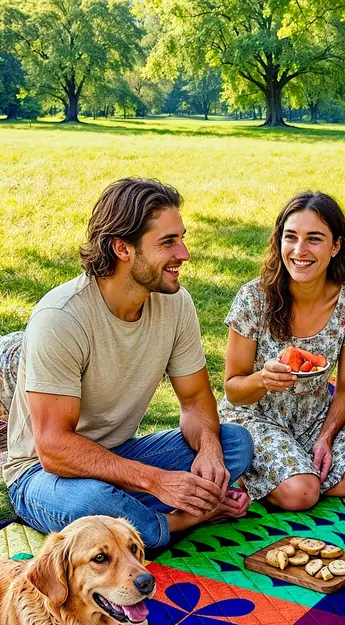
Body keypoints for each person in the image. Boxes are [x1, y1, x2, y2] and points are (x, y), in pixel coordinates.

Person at [2, 178, 254, 548]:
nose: (183, 254)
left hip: (119, 455)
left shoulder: (175, 303)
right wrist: (155, 480)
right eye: (168, 243)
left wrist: (210, 451)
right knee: (91, 502)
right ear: (122, 248)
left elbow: (196, 400)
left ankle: (139, 517)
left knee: (236, 442)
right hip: (41, 473)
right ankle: (177, 520)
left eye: (181, 239)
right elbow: (54, 448)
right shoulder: (62, 317)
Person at [220, 191, 345, 511]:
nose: (299, 250)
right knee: (302, 494)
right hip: (254, 417)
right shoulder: (253, 298)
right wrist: (262, 380)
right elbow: (233, 390)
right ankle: (268, 475)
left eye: (314, 239)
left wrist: (325, 436)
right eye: (290, 237)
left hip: (315, 418)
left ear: (336, 246)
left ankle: (285, 474)